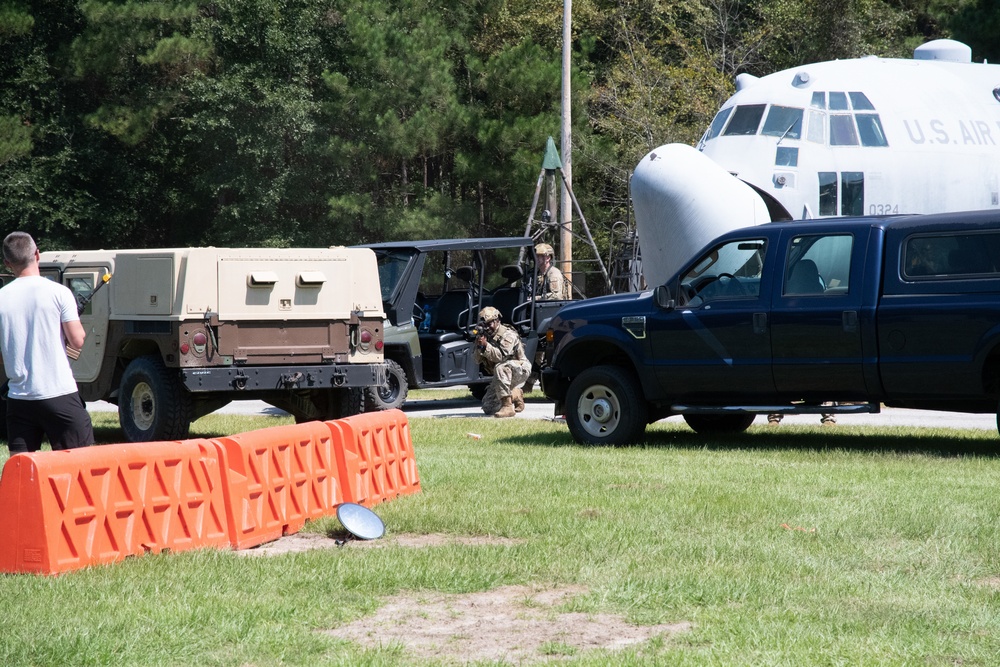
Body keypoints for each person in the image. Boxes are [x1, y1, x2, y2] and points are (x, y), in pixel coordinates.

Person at [0, 231, 94, 453]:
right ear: (37, 254)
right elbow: (77, 340)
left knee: (22, 471)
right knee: (79, 465)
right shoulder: (59, 293)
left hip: (19, 399)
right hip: (59, 394)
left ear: (7, 263)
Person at [473, 306, 531, 418]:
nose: (487, 327)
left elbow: (501, 357)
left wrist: (486, 346)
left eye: (489, 324)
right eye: (484, 324)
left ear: (497, 321)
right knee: (488, 407)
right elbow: (476, 360)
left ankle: (507, 406)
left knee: (501, 367)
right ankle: (515, 394)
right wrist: (479, 346)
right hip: (502, 375)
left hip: (520, 369)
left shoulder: (508, 334)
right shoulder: (486, 336)